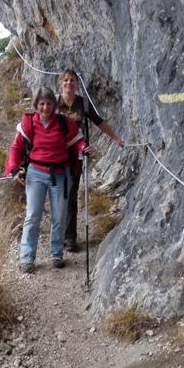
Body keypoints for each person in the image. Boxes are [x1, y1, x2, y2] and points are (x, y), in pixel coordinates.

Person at [4, 87, 91, 273]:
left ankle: (57, 254)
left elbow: (78, 140)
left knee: (59, 216)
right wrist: (14, 170)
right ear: (36, 105)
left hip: (60, 173)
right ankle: (27, 258)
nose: (45, 107)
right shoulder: (28, 124)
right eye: (41, 103)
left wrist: (84, 148)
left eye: (49, 103)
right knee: (33, 215)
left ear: (54, 105)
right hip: (35, 174)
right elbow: (15, 149)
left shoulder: (63, 122)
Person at [56, 69, 124, 252]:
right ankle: (57, 236)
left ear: (77, 84)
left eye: (72, 80)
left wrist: (115, 138)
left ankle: (70, 237)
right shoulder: (54, 102)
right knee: (57, 196)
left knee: (71, 195)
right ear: (61, 83)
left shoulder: (83, 103)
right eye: (66, 80)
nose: (69, 83)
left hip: (75, 155)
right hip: (54, 156)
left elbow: (99, 122)